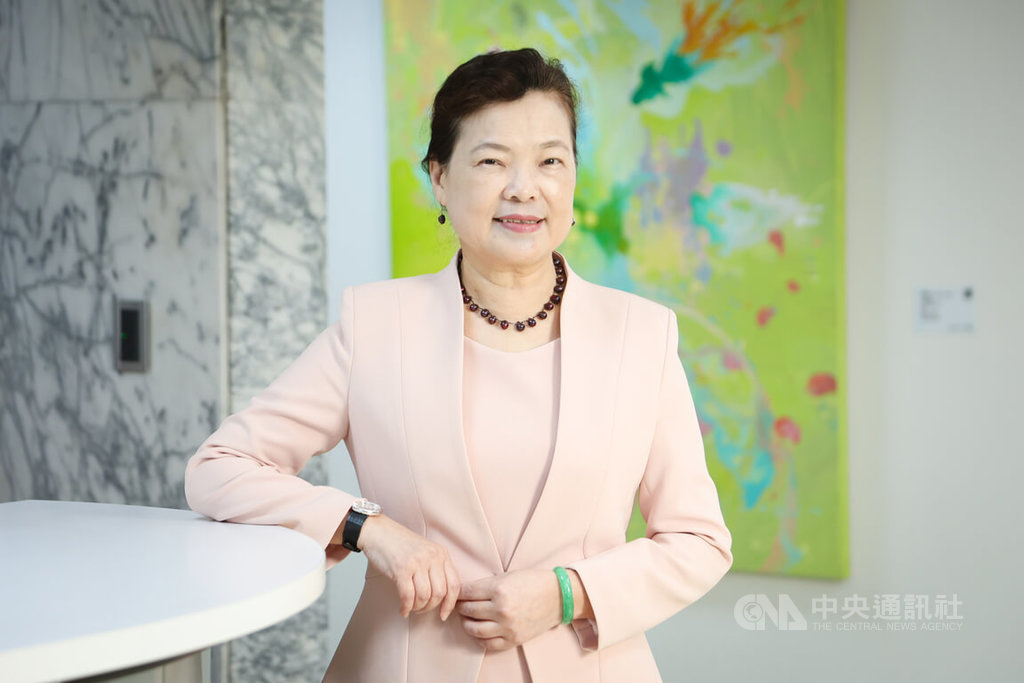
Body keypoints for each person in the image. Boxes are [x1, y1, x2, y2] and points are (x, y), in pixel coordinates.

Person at [185, 47, 732, 683]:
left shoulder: (642, 334)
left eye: (550, 161)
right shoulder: (375, 326)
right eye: (492, 161)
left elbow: (699, 541)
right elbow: (220, 468)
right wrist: (367, 527)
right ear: (440, 178)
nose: (524, 188)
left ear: (573, 177)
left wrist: (568, 592)